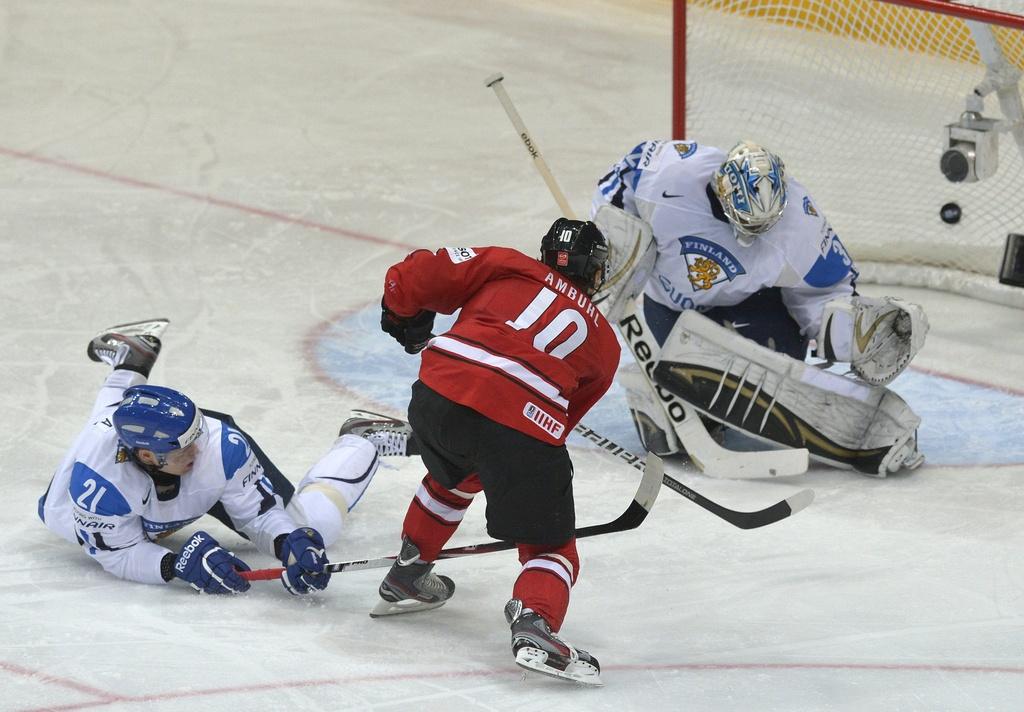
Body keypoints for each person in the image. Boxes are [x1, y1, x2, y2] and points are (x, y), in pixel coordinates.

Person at [372, 219, 620, 686]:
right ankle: (534, 622)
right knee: (551, 545)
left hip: (438, 393)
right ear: (597, 272)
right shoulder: (604, 345)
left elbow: (412, 275)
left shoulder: (508, 264)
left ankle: (409, 568)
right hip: (517, 422)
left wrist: (403, 315)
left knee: (458, 472)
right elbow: (557, 425)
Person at [591, 139, 928, 475]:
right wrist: (606, 247)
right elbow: (616, 185)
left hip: (754, 311)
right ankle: (684, 398)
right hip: (668, 309)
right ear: (722, 190)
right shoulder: (668, 176)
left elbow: (824, 291)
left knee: (771, 365)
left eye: (763, 225)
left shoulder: (801, 225)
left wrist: (852, 333)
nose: (749, 236)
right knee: (668, 434)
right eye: (744, 221)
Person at [38, 319, 383, 595]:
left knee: (315, 527)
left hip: (169, 479)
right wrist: (175, 567)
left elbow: (259, 515)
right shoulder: (98, 485)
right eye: (185, 446)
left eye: (196, 433)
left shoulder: (219, 446)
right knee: (94, 440)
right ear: (147, 455)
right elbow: (120, 554)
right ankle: (132, 360)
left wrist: (286, 542)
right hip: (86, 500)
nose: (198, 449)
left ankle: (363, 440)